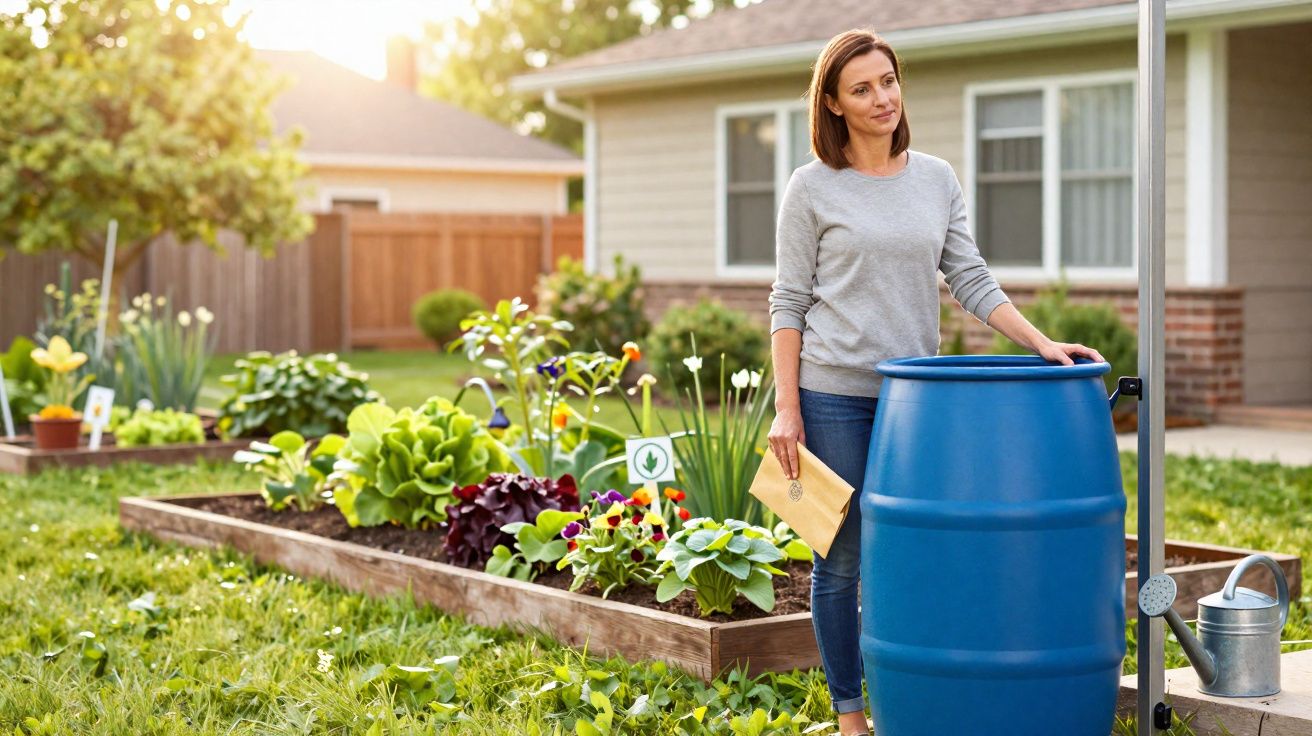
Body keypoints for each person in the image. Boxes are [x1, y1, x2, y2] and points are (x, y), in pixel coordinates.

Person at [765, 28, 1105, 736]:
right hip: (832, 394)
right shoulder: (812, 187)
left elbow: (969, 278)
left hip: (912, 403)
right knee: (845, 556)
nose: (882, 97)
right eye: (861, 88)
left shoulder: (936, 178)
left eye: (888, 81)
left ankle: (914, 691)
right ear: (832, 104)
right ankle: (851, 714)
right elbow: (788, 302)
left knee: (914, 552)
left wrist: (1041, 343)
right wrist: (787, 409)